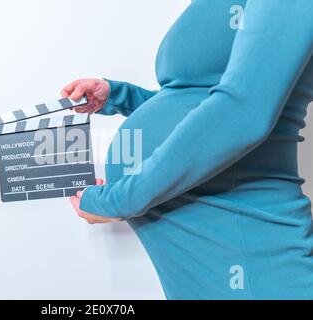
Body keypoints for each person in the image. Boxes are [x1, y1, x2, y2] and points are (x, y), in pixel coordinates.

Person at [61, 0, 313, 299]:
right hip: (202, 255)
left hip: (245, 245)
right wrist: (121, 97)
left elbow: (243, 114)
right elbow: (201, 99)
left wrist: (119, 200)